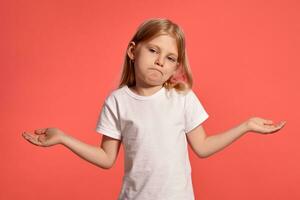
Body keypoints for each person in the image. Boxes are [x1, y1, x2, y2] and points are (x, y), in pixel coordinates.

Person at [22, 18, 286, 200]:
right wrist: (63, 139)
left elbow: (203, 147)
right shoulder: (118, 101)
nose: (160, 61)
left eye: (170, 58)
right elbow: (106, 158)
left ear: (175, 67)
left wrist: (247, 125)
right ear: (133, 51)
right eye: (153, 50)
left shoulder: (181, 98)